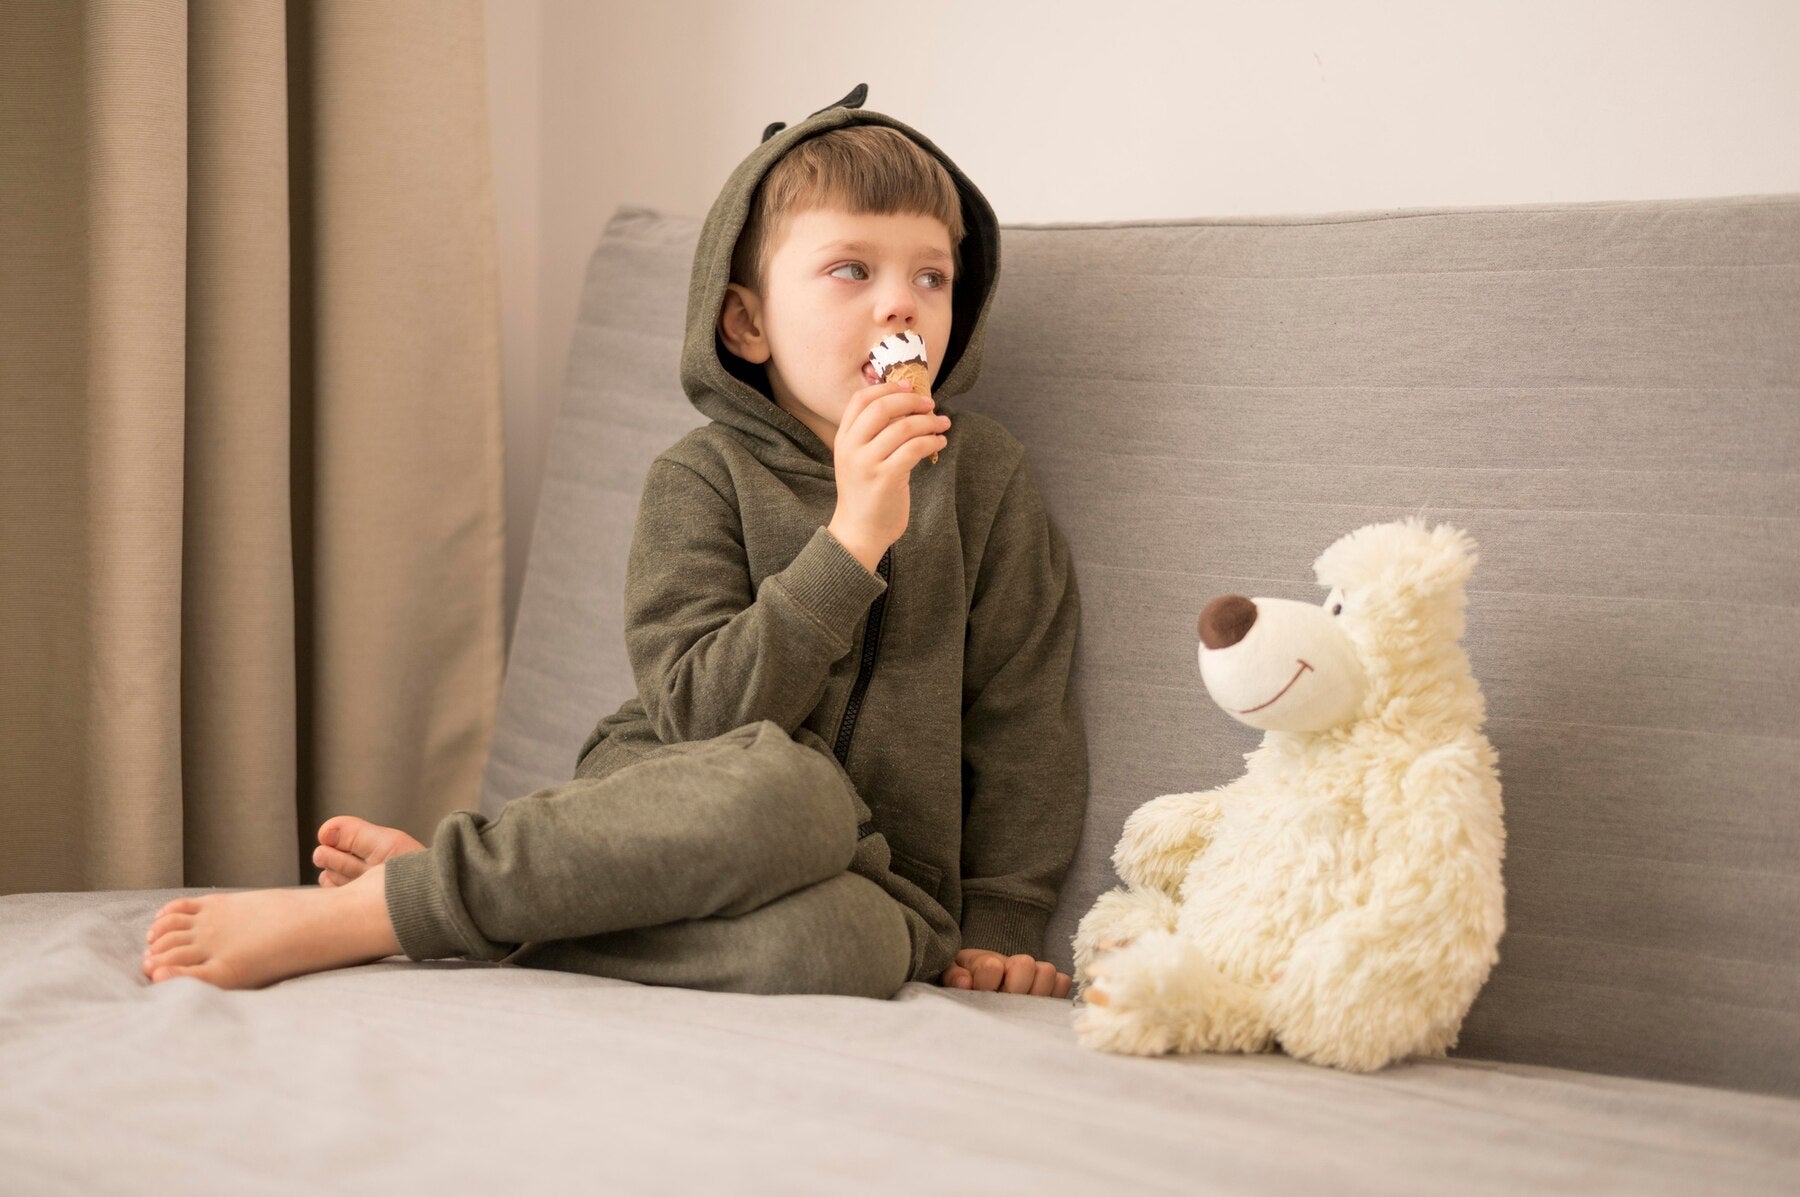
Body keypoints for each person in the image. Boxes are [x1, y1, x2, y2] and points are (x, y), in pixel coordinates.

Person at [141, 86, 1087, 1000]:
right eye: (852, 270)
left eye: (931, 275)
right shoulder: (701, 479)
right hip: (682, 794)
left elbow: (1023, 714)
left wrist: (1004, 919)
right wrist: (849, 546)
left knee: (848, 949)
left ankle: (502, 901)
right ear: (747, 322)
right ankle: (393, 911)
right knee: (794, 794)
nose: (901, 305)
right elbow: (697, 718)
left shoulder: (983, 479)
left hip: (888, 885)